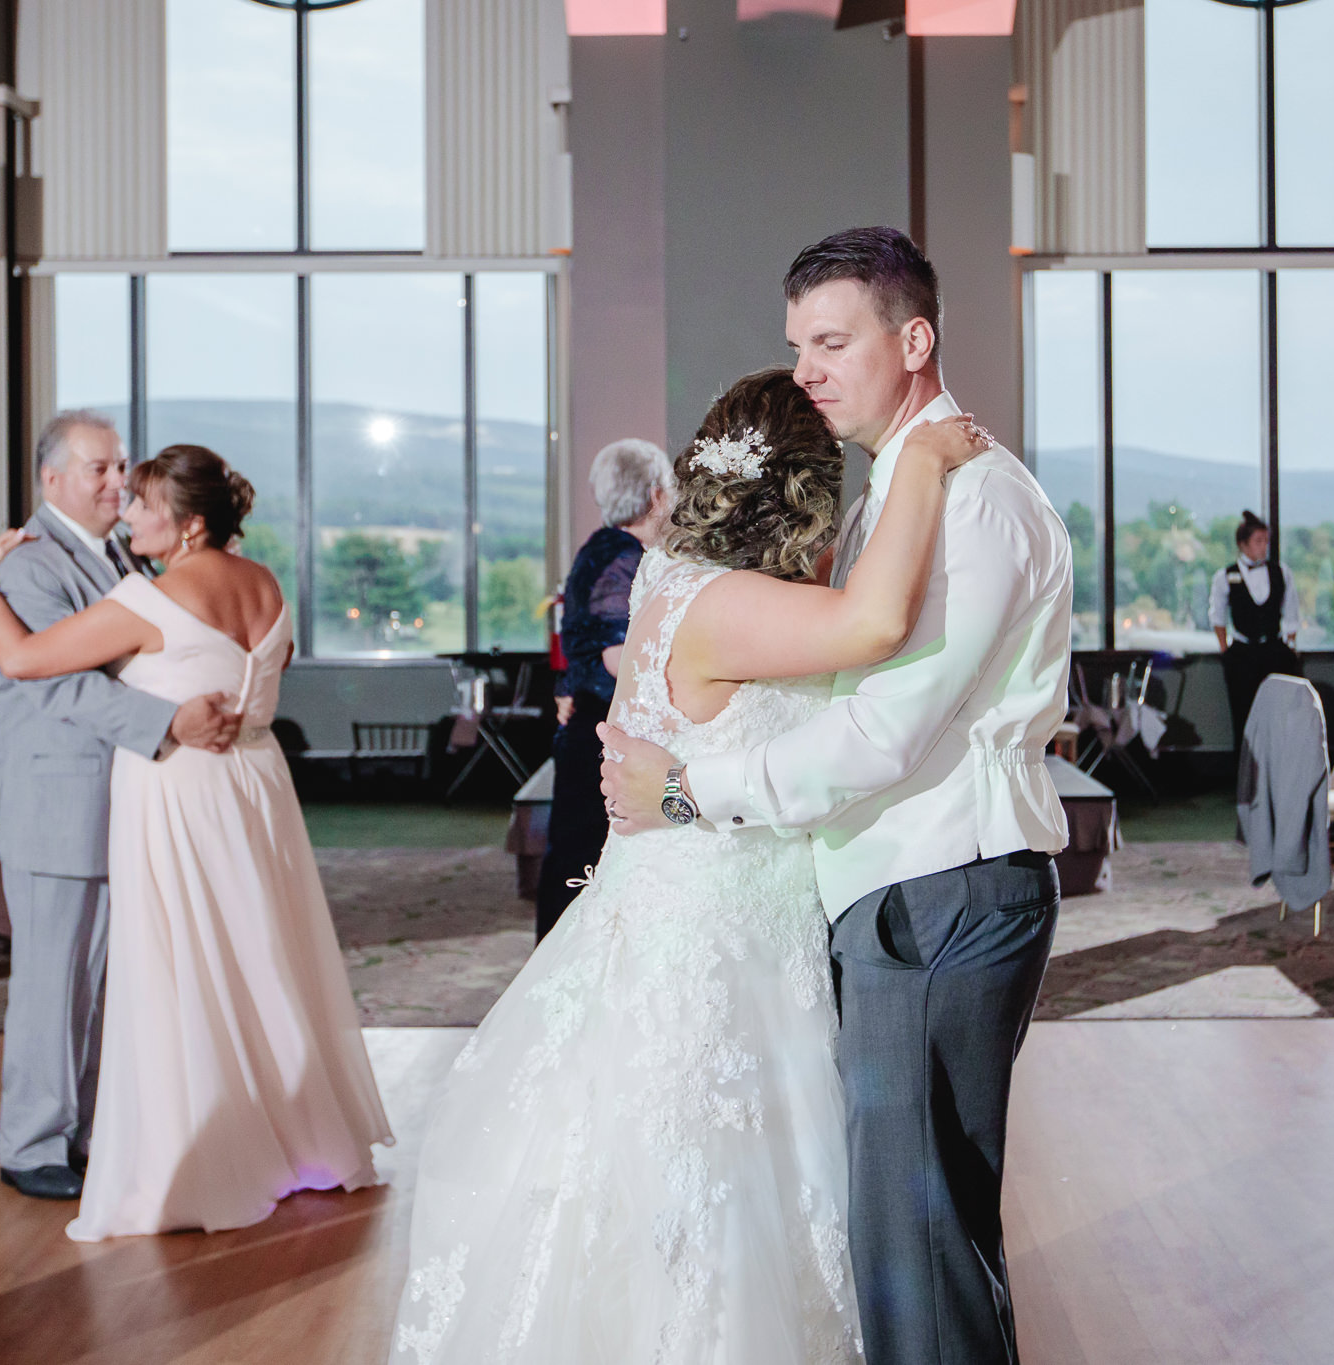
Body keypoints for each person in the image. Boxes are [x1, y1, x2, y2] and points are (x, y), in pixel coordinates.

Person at [391, 365, 991, 1363]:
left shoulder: (669, 575)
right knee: (717, 1184)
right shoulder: (728, 604)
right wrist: (923, 458)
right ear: (801, 490)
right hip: (721, 930)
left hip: (682, 897)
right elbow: (873, 625)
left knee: (681, 1179)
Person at [605, 227, 1074, 1364]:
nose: (807, 368)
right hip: (903, 882)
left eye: (832, 340)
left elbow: (879, 730)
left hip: (942, 882)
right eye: (794, 346)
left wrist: (687, 791)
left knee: (916, 1244)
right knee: (918, 1238)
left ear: (912, 339)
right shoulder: (898, 495)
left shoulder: (969, 500)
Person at [0, 443, 393, 1238]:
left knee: (185, 966)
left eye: (141, 504)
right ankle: (296, 1138)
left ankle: (203, 1150)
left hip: (178, 791)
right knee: (262, 959)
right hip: (256, 787)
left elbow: (25, 658)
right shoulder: (266, 584)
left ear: (190, 523)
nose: (126, 515)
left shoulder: (151, 597)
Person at [0, 410, 242, 1203]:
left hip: (118, 797)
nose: (116, 482)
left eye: (121, 467)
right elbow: (58, 679)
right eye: (98, 468)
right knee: (51, 983)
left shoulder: (115, 556)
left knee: (102, 981)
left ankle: (90, 1130)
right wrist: (167, 721)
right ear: (52, 478)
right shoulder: (28, 565)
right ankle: (31, 1142)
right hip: (56, 799)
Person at [534, 438, 674, 939]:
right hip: (600, 734)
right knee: (582, 868)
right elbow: (619, 658)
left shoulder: (603, 548)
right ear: (657, 494)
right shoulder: (621, 556)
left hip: (590, 727)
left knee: (578, 863)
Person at [1211, 510, 1303, 749]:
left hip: (1274, 649)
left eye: (1266, 541)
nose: (1264, 547)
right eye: (1258, 541)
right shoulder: (1224, 576)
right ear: (1243, 544)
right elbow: (1217, 616)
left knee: (1280, 716)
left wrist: (1290, 647)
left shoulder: (1281, 572)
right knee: (1244, 716)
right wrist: (1225, 651)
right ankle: (1246, 779)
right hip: (1242, 653)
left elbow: (1291, 612)